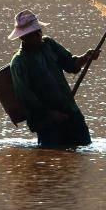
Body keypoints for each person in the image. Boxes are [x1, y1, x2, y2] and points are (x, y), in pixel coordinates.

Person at [7, 10, 99, 148]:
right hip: (47, 123)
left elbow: (71, 64)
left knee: (84, 149)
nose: (39, 35)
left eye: (39, 31)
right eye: (34, 33)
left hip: (70, 112)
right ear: (23, 37)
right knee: (53, 155)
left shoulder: (49, 45)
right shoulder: (19, 63)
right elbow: (26, 98)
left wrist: (86, 57)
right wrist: (51, 114)